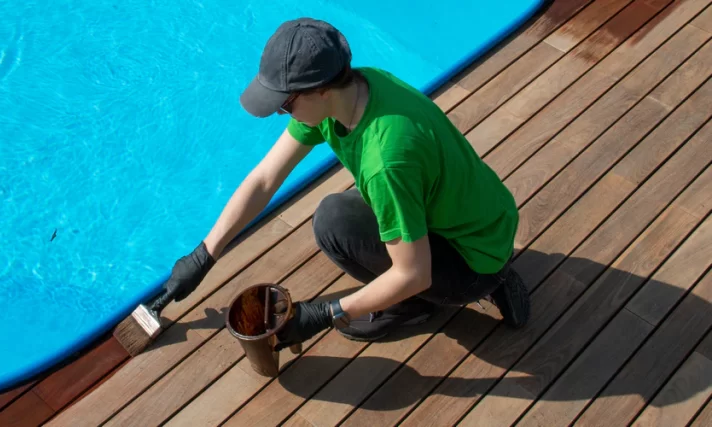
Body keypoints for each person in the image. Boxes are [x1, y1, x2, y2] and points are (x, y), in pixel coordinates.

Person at [158, 17, 529, 350]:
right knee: (335, 215)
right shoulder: (357, 87)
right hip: (476, 216)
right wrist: (203, 256)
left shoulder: (385, 161)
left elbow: (413, 273)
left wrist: (327, 313)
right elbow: (265, 178)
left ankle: (432, 300)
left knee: (337, 226)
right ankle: (428, 290)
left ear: (320, 89)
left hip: (473, 261)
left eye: (285, 104)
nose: (281, 113)